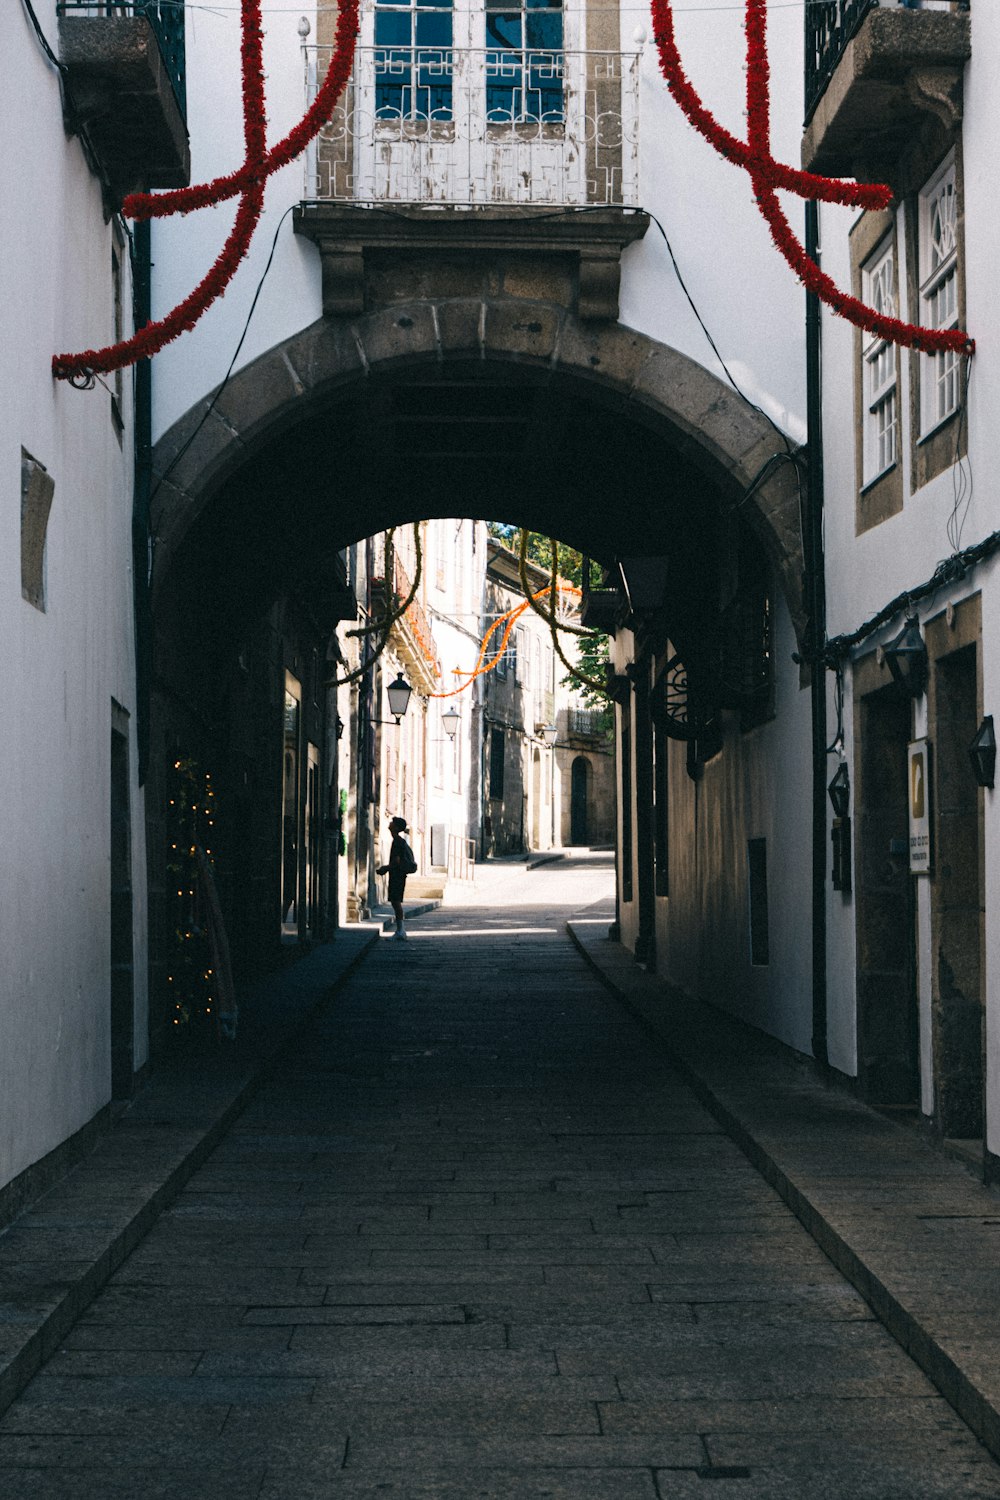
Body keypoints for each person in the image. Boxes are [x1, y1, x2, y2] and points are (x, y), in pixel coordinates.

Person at [378, 815, 414, 940]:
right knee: (395, 902)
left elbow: (396, 861)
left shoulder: (397, 841)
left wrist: (385, 868)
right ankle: (400, 930)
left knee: (396, 902)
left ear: (396, 827)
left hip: (397, 875)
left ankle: (400, 931)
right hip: (398, 874)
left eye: (392, 822)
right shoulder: (398, 840)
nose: (390, 823)